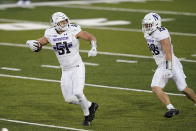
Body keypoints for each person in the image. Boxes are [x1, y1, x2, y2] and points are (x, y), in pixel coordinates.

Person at [26, 12, 99, 126]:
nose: (65, 23)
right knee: (69, 99)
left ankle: (87, 117)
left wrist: (94, 47)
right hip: (65, 70)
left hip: (77, 66)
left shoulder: (73, 30)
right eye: (61, 22)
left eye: (65, 21)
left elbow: (90, 36)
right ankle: (91, 105)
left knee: (78, 92)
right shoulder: (50, 33)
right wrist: (32, 43)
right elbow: (40, 43)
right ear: (55, 24)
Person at [142, 12, 196, 118]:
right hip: (162, 64)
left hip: (171, 62)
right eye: (146, 25)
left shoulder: (162, 32)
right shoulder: (147, 33)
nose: (146, 27)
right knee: (155, 87)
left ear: (156, 24)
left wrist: (168, 68)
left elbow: (168, 52)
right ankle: (171, 108)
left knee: (183, 89)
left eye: (148, 25)